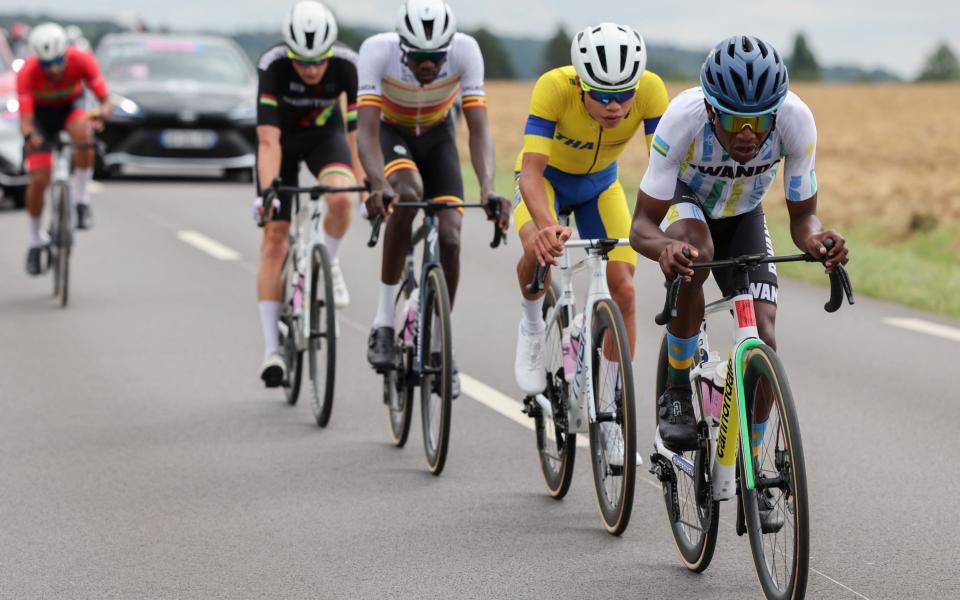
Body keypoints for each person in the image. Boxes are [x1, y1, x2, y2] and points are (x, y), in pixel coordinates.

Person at [629, 35, 848, 499]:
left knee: (764, 338)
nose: (747, 133)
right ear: (711, 111)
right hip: (687, 209)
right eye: (733, 120)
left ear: (776, 112)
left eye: (758, 121)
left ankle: (753, 469)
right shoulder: (682, 120)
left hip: (745, 215)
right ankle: (676, 390)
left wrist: (815, 239)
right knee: (697, 253)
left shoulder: (796, 121)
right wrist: (664, 249)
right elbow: (642, 225)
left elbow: (802, 216)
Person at [512, 23, 667, 465]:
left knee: (625, 290)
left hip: (601, 187)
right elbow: (532, 172)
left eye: (624, 94)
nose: (615, 106)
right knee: (536, 251)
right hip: (546, 184)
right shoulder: (553, 88)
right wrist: (546, 226)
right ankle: (531, 326)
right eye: (601, 95)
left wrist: (671, 224)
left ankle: (612, 415)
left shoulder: (653, 91)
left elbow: (666, 170)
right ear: (580, 83)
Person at [359, 0, 509, 396]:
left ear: (449, 48)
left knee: (452, 236)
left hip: (439, 136)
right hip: (393, 134)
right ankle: (384, 325)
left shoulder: (466, 50)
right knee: (406, 195)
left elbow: (478, 129)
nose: (428, 65)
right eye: (420, 57)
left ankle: (441, 347)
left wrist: (488, 187)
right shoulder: (377, 50)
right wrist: (378, 183)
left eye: (436, 57)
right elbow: (367, 131)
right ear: (402, 46)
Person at [254, 1, 366, 387]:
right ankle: (272, 350)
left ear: (330, 50)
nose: (312, 69)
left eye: (318, 61)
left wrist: (364, 188)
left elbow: (356, 135)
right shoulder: (272, 65)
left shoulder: (348, 65)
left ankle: (329, 262)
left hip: (325, 138)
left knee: (340, 197)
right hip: (281, 144)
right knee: (274, 239)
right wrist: (268, 193)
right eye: (302, 62)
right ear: (289, 52)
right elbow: (267, 140)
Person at [17, 22, 111, 275]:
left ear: (66, 54)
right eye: (47, 64)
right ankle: (36, 241)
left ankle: (81, 200)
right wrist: (29, 136)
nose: (55, 68)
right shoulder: (27, 72)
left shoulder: (82, 60)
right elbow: (26, 121)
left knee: (83, 132)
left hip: (72, 107)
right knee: (39, 178)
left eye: (59, 61)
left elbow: (105, 100)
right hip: (40, 117)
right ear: (38, 59)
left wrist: (101, 114)